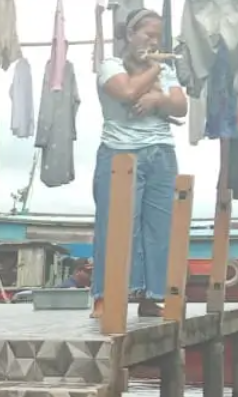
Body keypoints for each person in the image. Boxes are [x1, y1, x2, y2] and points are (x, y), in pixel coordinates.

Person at [92, 9, 187, 319]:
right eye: (148, 34)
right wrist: (156, 71)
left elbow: (181, 106)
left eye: (158, 37)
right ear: (130, 35)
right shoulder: (111, 65)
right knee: (116, 225)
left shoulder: (166, 73)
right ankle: (104, 296)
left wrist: (157, 100)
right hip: (120, 152)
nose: (153, 41)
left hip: (160, 152)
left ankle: (151, 296)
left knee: (159, 228)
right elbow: (127, 91)